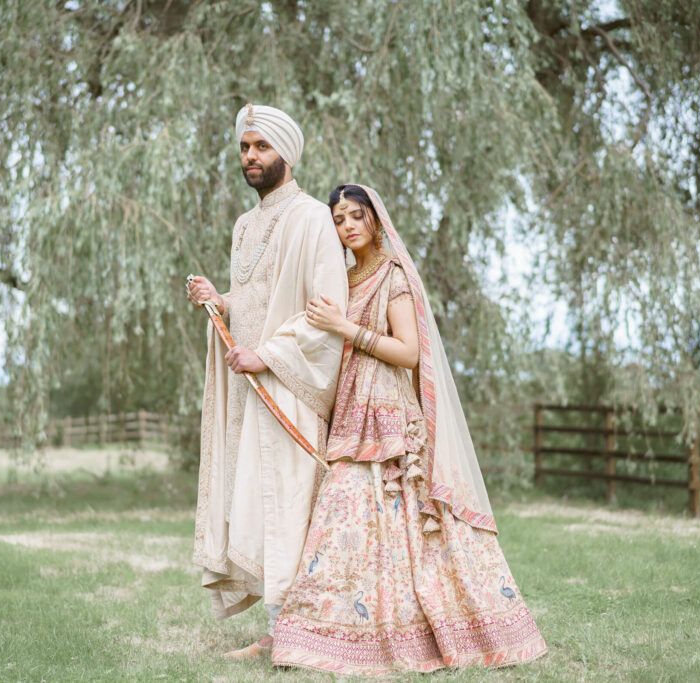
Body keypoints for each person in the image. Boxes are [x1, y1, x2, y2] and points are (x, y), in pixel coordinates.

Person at [270, 184, 548, 675]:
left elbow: (408, 352)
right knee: (342, 521)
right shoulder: (344, 279)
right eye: (338, 219)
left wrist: (344, 328)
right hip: (352, 413)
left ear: (375, 219)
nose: (348, 226)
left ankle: (452, 626)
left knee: (408, 523)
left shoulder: (392, 276)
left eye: (356, 215)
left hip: (391, 416)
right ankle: (321, 633)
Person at [187, 104, 348, 659]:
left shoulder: (313, 217)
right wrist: (221, 301)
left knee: (290, 507)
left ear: (287, 152)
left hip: (290, 385)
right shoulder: (244, 225)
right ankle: (282, 633)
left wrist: (269, 356)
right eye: (244, 147)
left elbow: (328, 309)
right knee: (260, 506)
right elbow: (257, 297)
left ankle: (298, 635)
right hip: (249, 389)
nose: (250, 156)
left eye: (261, 147)